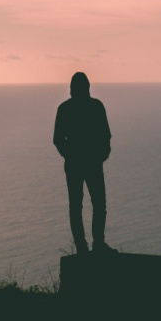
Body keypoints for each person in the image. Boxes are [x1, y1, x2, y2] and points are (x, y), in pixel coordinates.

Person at [53, 72, 113, 255]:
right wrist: (100, 155)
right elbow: (106, 136)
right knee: (97, 204)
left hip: (78, 164)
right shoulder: (95, 106)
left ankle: (83, 246)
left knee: (78, 205)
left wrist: (70, 155)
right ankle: (96, 244)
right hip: (90, 163)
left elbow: (58, 140)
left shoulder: (66, 108)